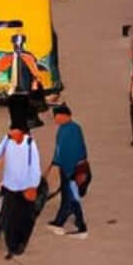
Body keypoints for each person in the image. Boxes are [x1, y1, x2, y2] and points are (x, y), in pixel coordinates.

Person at [0, 121, 45, 257]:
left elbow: (34, 167)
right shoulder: (9, 143)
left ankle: (16, 246)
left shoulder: (29, 146)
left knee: (20, 220)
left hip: (23, 190)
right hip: (10, 187)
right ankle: (9, 241)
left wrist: (32, 186)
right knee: (7, 217)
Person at [47, 102, 91, 238]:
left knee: (70, 199)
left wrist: (62, 167)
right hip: (72, 169)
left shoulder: (68, 130)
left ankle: (71, 225)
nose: (54, 120)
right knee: (70, 198)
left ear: (64, 116)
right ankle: (68, 222)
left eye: (56, 117)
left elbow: (69, 151)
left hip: (71, 171)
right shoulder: (71, 128)